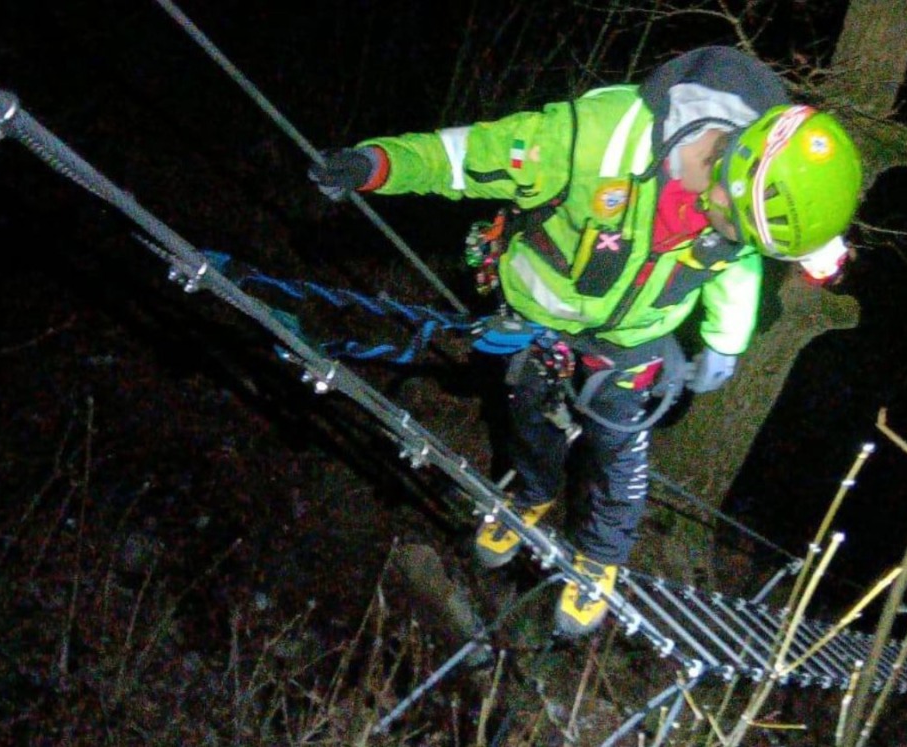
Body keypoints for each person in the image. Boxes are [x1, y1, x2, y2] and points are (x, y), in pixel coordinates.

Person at [307, 46, 863, 636]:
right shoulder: (597, 137)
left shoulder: (748, 214)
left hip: (632, 337)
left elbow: (735, 270)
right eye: (736, 226)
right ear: (734, 164)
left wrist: (725, 340)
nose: (729, 240)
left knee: (619, 446)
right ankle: (532, 492)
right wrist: (380, 164)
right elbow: (471, 156)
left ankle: (601, 556)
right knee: (527, 414)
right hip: (539, 312)